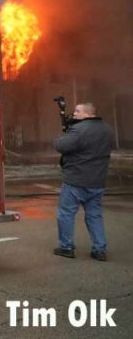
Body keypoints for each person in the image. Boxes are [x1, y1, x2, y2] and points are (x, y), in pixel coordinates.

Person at [53, 102, 115, 261]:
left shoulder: (80, 129)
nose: (74, 114)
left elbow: (60, 145)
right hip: (97, 181)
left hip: (76, 180)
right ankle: (99, 249)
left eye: (77, 111)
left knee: (66, 214)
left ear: (88, 114)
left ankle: (66, 247)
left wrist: (67, 134)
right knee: (94, 215)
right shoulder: (107, 129)